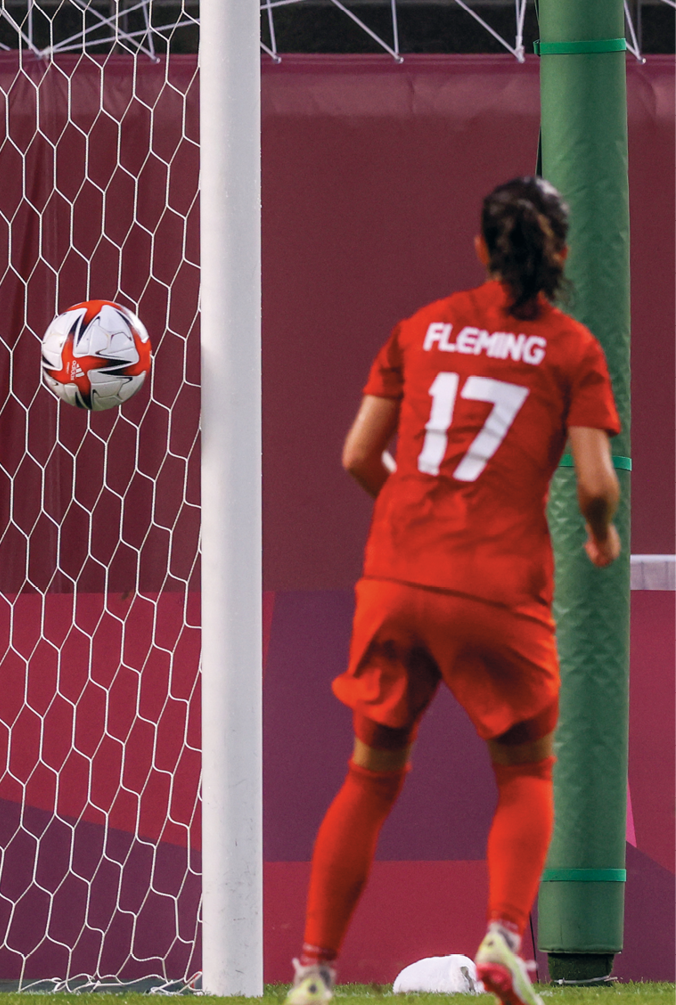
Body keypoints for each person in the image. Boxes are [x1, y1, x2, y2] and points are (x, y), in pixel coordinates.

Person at [284, 176, 620, 1005]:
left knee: (369, 777)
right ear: (564, 255)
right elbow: (596, 484)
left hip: (397, 576)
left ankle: (315, 972)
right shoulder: (572, 348)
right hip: (497, 587)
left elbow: (360, 454)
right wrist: (603, 533)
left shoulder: (423, 325)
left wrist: (414, 517)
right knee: (525, 773)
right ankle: (505, 936)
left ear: (480, 249)